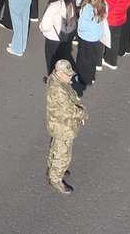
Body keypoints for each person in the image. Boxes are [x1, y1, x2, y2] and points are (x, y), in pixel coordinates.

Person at [45, 59, 86, 195]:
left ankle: (53, 170)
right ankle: (56, 179)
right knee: (63, 154)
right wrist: (82, 114)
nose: (70, 77)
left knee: (56, 147)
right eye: (67, 74)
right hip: (63, 126)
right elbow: (69, 111)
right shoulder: (58, 90)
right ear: (58, 72)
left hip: (59, 123)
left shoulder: (57, 80)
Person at [75, 0, 107, 87]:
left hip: (86, 36)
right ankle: (91, 76)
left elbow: (82, 24)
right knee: (92, 58)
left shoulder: (87, 7)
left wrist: (78, 29)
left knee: (83, 58)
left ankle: (83, 78)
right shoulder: (102, 2)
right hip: (97, 34)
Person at [39, 0, 77, 74]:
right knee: (63, 57)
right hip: (67, 35)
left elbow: (45, 25)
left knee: (51, 60)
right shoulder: (71, 2)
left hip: (53, 37)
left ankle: (52, 78)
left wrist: (42, 29)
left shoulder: (54, 6)